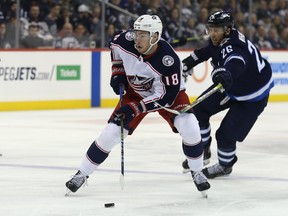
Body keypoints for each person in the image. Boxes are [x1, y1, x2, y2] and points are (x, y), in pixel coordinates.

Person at [65, 14, 210, 195]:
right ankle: (82, 174)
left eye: (143, 35)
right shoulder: (124, 41)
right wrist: (117, 71)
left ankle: (197, 171)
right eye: (136, 33)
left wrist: (136, 108)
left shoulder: (169, 60)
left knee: (190, 127)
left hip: (170, 96)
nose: (137, 39)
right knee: (110, 134)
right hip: (134, 93)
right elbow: (114, 46)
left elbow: (165, 97)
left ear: (155, 36)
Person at [181, 10, 274, 178]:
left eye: (217, 29)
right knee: (199, 110)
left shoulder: (233, 45)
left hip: (252, 97)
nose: (212, 33)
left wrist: (225, 73)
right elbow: (208, 51)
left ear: (228, 29)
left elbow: (235, 61)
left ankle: (225, 166)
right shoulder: (220, 39)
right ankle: (203, 150)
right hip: (233, 86)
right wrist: (188, 62)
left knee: (225, 135)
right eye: (211, 29)